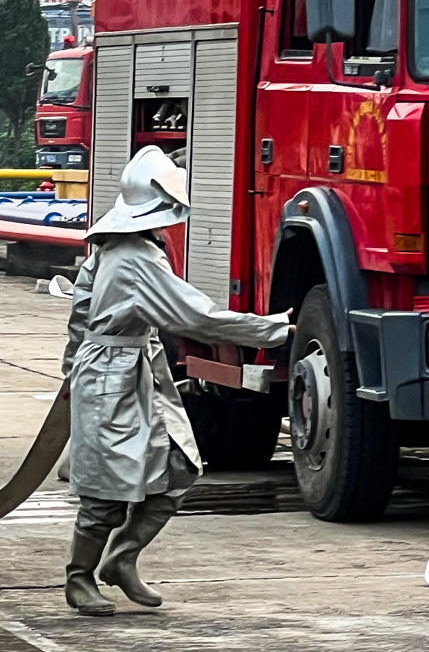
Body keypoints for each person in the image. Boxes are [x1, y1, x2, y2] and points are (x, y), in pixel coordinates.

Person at [61, 146, 292, 617]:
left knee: (177, 473)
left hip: (134, 372)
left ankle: (121, 560)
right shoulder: (131, 256)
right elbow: (194, 316)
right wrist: (270, 328)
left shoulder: (120, 248)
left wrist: (72, 370)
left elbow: (78, 317)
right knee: (105, 493)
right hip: (109, 377)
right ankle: (79, 577)